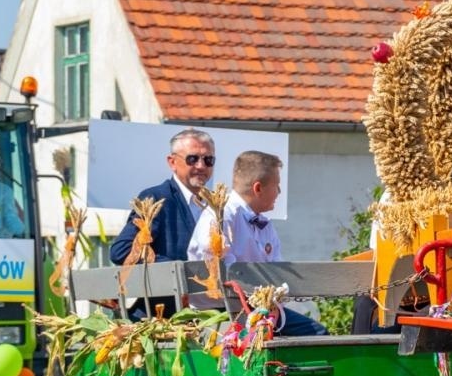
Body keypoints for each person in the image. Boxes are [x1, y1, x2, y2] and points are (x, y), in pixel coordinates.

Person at [186, 150, 327, 337]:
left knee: (316, 332)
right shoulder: (220, 215)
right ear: (258, 188)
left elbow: (278, 270)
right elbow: (219, 267)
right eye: (276, 186)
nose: (279, 192)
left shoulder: (265, 225)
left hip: (258, 310)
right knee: (316, 335)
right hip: (222, 312)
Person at [110, 128, 216, 265]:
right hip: (172, 285)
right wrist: (176, 268)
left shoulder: (216, 205)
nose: (201, 166)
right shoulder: (156, 199)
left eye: (208, 160)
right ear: (172, 162)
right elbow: (122, 250)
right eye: (192, 159)